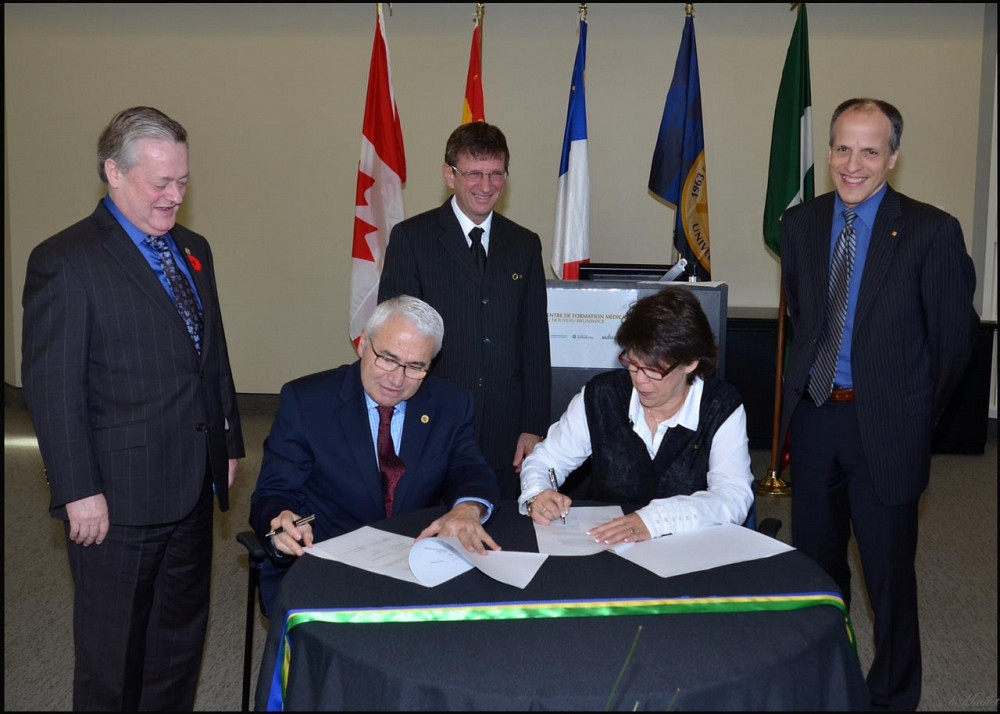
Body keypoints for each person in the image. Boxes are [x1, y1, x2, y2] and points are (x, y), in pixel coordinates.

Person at [21, 106, 244, 711]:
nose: (175, 197)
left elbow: (211, 354)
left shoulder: (194, 249)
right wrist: (77, 489)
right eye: (160, 184)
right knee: (112, 655)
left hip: (193, 486)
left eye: (183, 182)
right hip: (116, 500)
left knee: (178, 644)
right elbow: (52, 388)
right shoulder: (65, 260)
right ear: (113, 174)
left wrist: (226, 442)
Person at [778, 98, 978, 711]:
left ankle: (892, 695)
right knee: (816, 568)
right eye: (842, 148)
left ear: (893, 156)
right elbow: (808, 319)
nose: (853, 164)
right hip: (814, 421)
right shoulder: (801, 224)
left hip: (885, 428)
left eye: (870, 150)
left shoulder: (931, 231)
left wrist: (912, 414)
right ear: (829, 151)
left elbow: (953, 343)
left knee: (889, 579)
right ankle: (823, 681)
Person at [249, 295, 502, 614]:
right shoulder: (306, 401)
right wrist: (282, 519)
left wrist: (468, 509)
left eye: (415, 367)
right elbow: (274, 492)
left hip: (414, 559)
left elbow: (469, 468)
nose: (397, 380)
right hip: (326, 559)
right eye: (388, 358)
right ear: (363, 343)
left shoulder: (451, 403)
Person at [377, 121, 550, 499]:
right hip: (432, 422)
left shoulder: (524, 244)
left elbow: (535, 341)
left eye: (496, 174)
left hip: (506, 432)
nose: (486, 187)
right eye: (473, 174)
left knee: (502, 539)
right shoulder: (412, 239)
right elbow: (395, 342)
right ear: (449, 174)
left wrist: (534, 426)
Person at [518, 287, 754, 543]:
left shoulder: (720, 406)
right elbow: (546, 459)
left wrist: (655, 520)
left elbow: (733, 496)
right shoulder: (602, 395)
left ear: (691, 363)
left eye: (654, 370)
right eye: (632, 363)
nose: (640, 380)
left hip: (687, 551)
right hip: (607, 550)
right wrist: (537, 493)